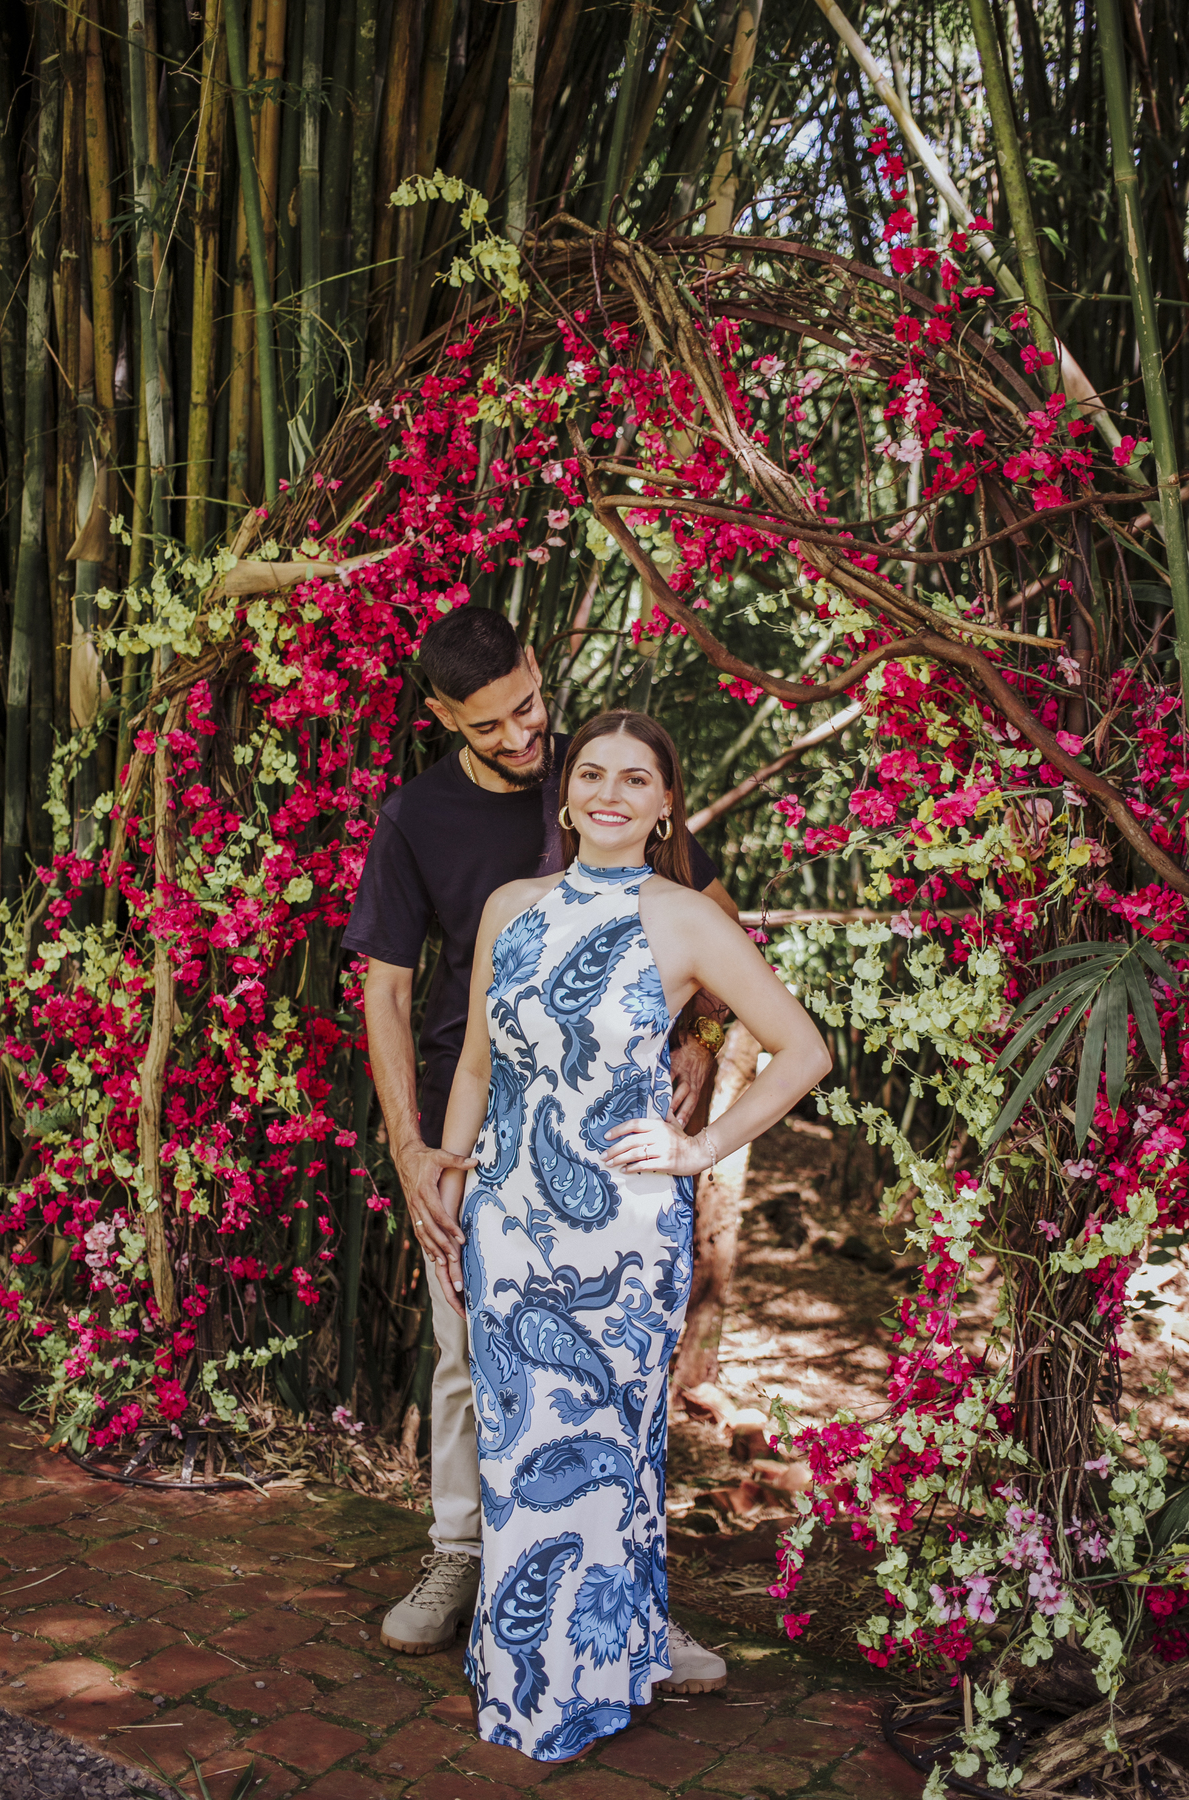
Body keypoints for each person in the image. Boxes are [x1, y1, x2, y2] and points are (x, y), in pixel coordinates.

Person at [343, 608, 736, 1687]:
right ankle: (459, 1556)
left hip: (611, 1144)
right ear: (442, 717)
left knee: (617, 1378)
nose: (523, 737)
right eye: (491, 725)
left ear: (535, 666)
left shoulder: (606, 773)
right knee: (469, 1356)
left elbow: (712, 924)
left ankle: (631, 1602)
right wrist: (414, 1150)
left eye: (528, 707)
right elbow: (385, 990)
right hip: (474, 1128)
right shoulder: (417, 818)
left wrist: (700, 1048)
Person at [434, 710, 832, 1761]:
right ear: (565, 796)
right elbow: (476, 1066)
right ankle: (531, 1669)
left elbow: (803, 1051)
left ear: (664, 808)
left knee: (608, 1456)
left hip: (620, 1238)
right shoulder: (510, 908)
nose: (610, 792)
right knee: (519, 1455)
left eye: (636, 778)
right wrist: (450, 1185)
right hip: (506, 1225)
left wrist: (701, 1149)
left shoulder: (689, 919)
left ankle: (580, 1687)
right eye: (592, 773)